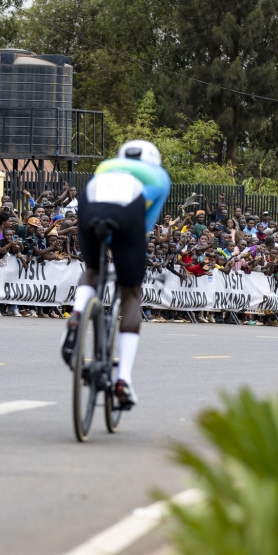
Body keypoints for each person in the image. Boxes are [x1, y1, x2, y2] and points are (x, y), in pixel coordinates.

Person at [60, 139, 170, 410]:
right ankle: (123, 381)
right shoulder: (159, 177)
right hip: (128, 213)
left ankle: (77, 314)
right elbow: (144, 226)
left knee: (93, 269)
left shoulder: (106, 166)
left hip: (91, 203)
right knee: (131, 293)